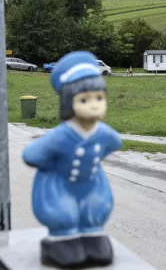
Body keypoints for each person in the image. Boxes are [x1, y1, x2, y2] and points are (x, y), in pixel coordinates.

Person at [22, 51, 122, 268]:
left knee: (95, 210)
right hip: (60, 187)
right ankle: (62, 241)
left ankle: (92, 236)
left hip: (92, 185)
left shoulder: (102, 132)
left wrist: (94, 161)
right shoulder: (62, 134)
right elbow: (31, 155)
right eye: (84, 99)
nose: (94, 104)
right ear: (69, 101)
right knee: (63, 214)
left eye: (99, 98)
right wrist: (53, 166)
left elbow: (115, 143)